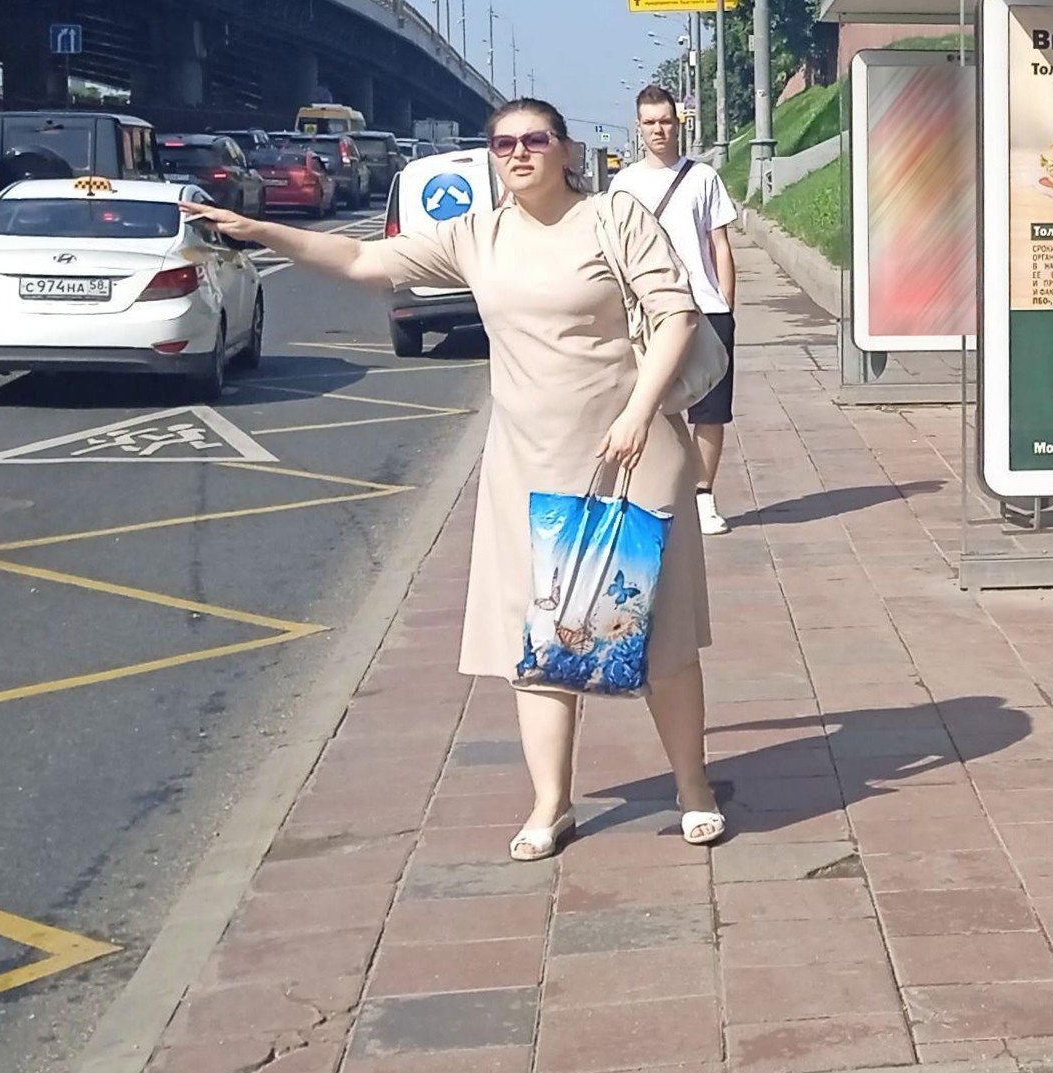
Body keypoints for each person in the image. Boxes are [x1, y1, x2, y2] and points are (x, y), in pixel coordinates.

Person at [193, 98, 724, 857]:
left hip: (630, 455)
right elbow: (362, 262)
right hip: (530, 464)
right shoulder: (478, 235)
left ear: (565, 149)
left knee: (658, 634)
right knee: (538, 642)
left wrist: (639, 413)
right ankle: (551, 804)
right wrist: (260, 231)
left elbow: (675, 316)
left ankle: (693, 788)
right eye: (503, 144)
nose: (519, 153)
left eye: (534, 139)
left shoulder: (614, 218)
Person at [610, 86, 742, 536]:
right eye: (650, 123)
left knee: (710, 411)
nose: (658, 130)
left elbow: (720, 245)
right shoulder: (624, 185)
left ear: (677, 123)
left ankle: (703, 495)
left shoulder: (703, 178)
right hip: (650, 315)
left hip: (705, 309)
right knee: (650, 405)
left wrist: (725, 304)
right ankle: (657, 496)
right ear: (638, 127)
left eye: (665, 121)